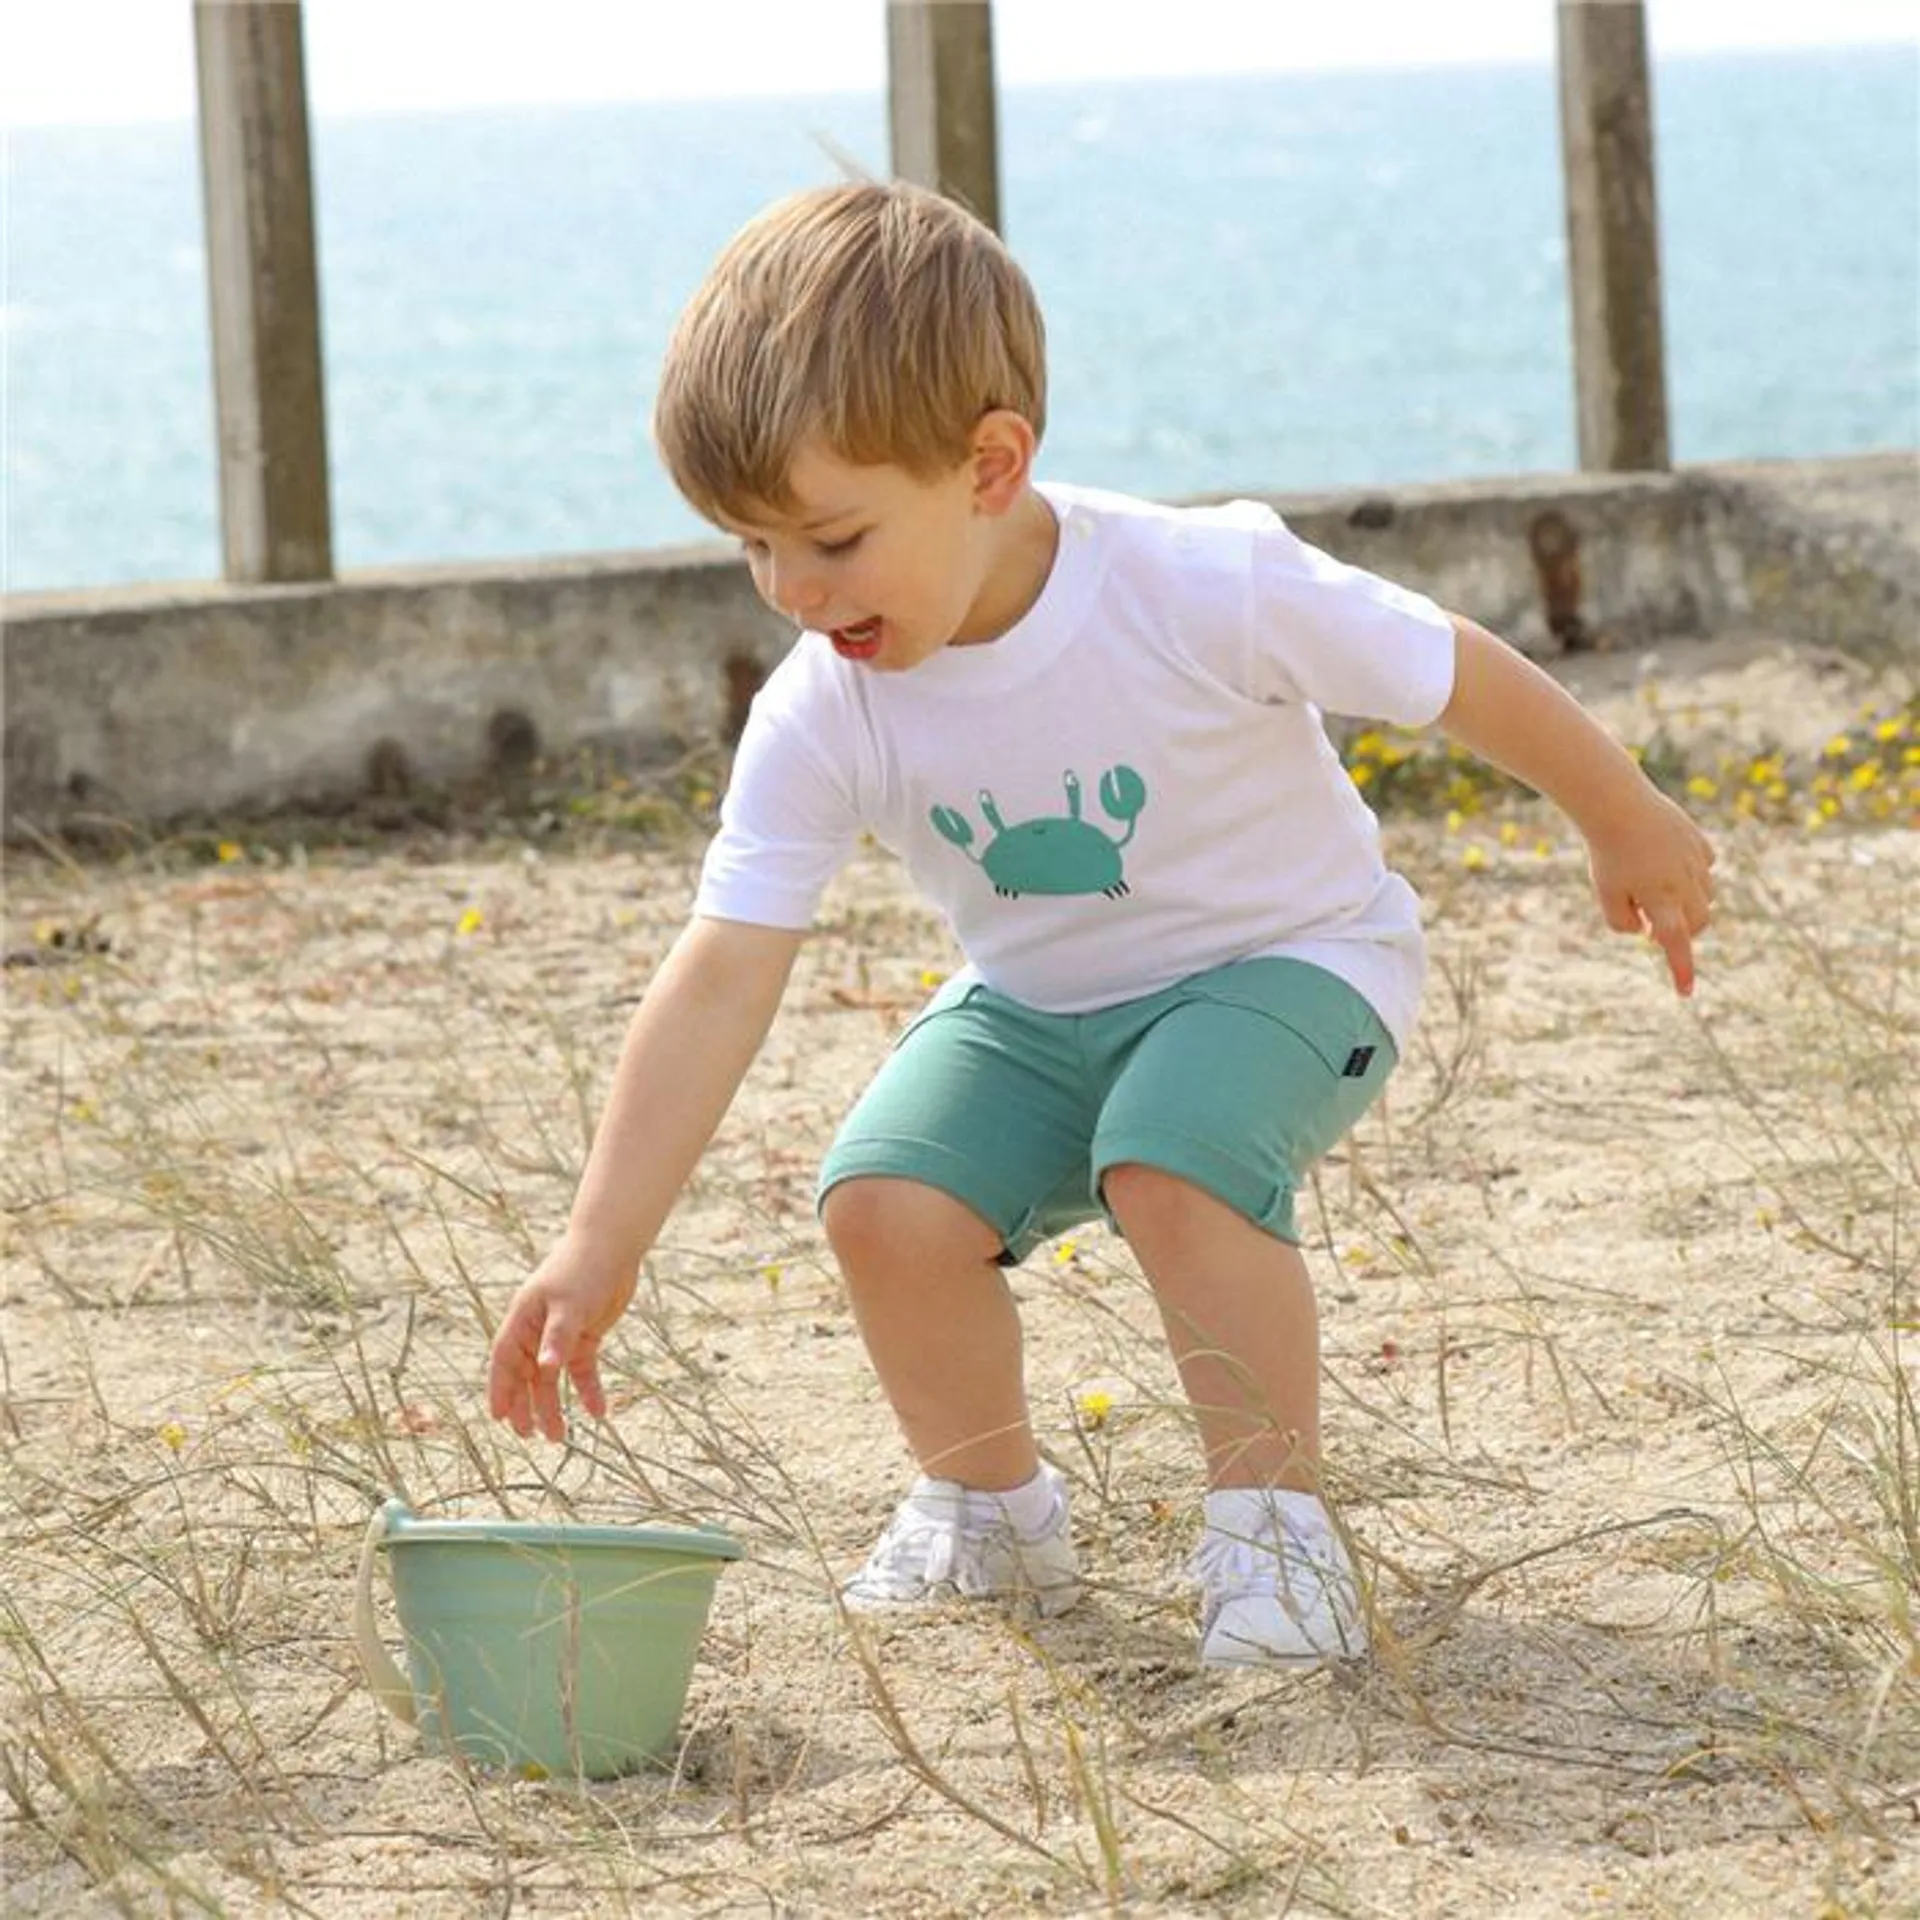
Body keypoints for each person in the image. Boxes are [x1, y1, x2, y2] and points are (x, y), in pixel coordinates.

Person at [486, 180, 1715, 1668]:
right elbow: (724, 969)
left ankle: (1278, 1540)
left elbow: (1448, 670)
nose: (794, 594)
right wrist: (599, 1240)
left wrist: (1626, 815)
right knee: (883, 1205)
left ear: (991, 462)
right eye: (752, 551)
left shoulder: (1199, 584)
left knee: (1170, 1162)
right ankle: (990, 1515)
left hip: (1299, 965)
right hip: (1042, 1002)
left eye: (831, 538)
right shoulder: (826, 707)